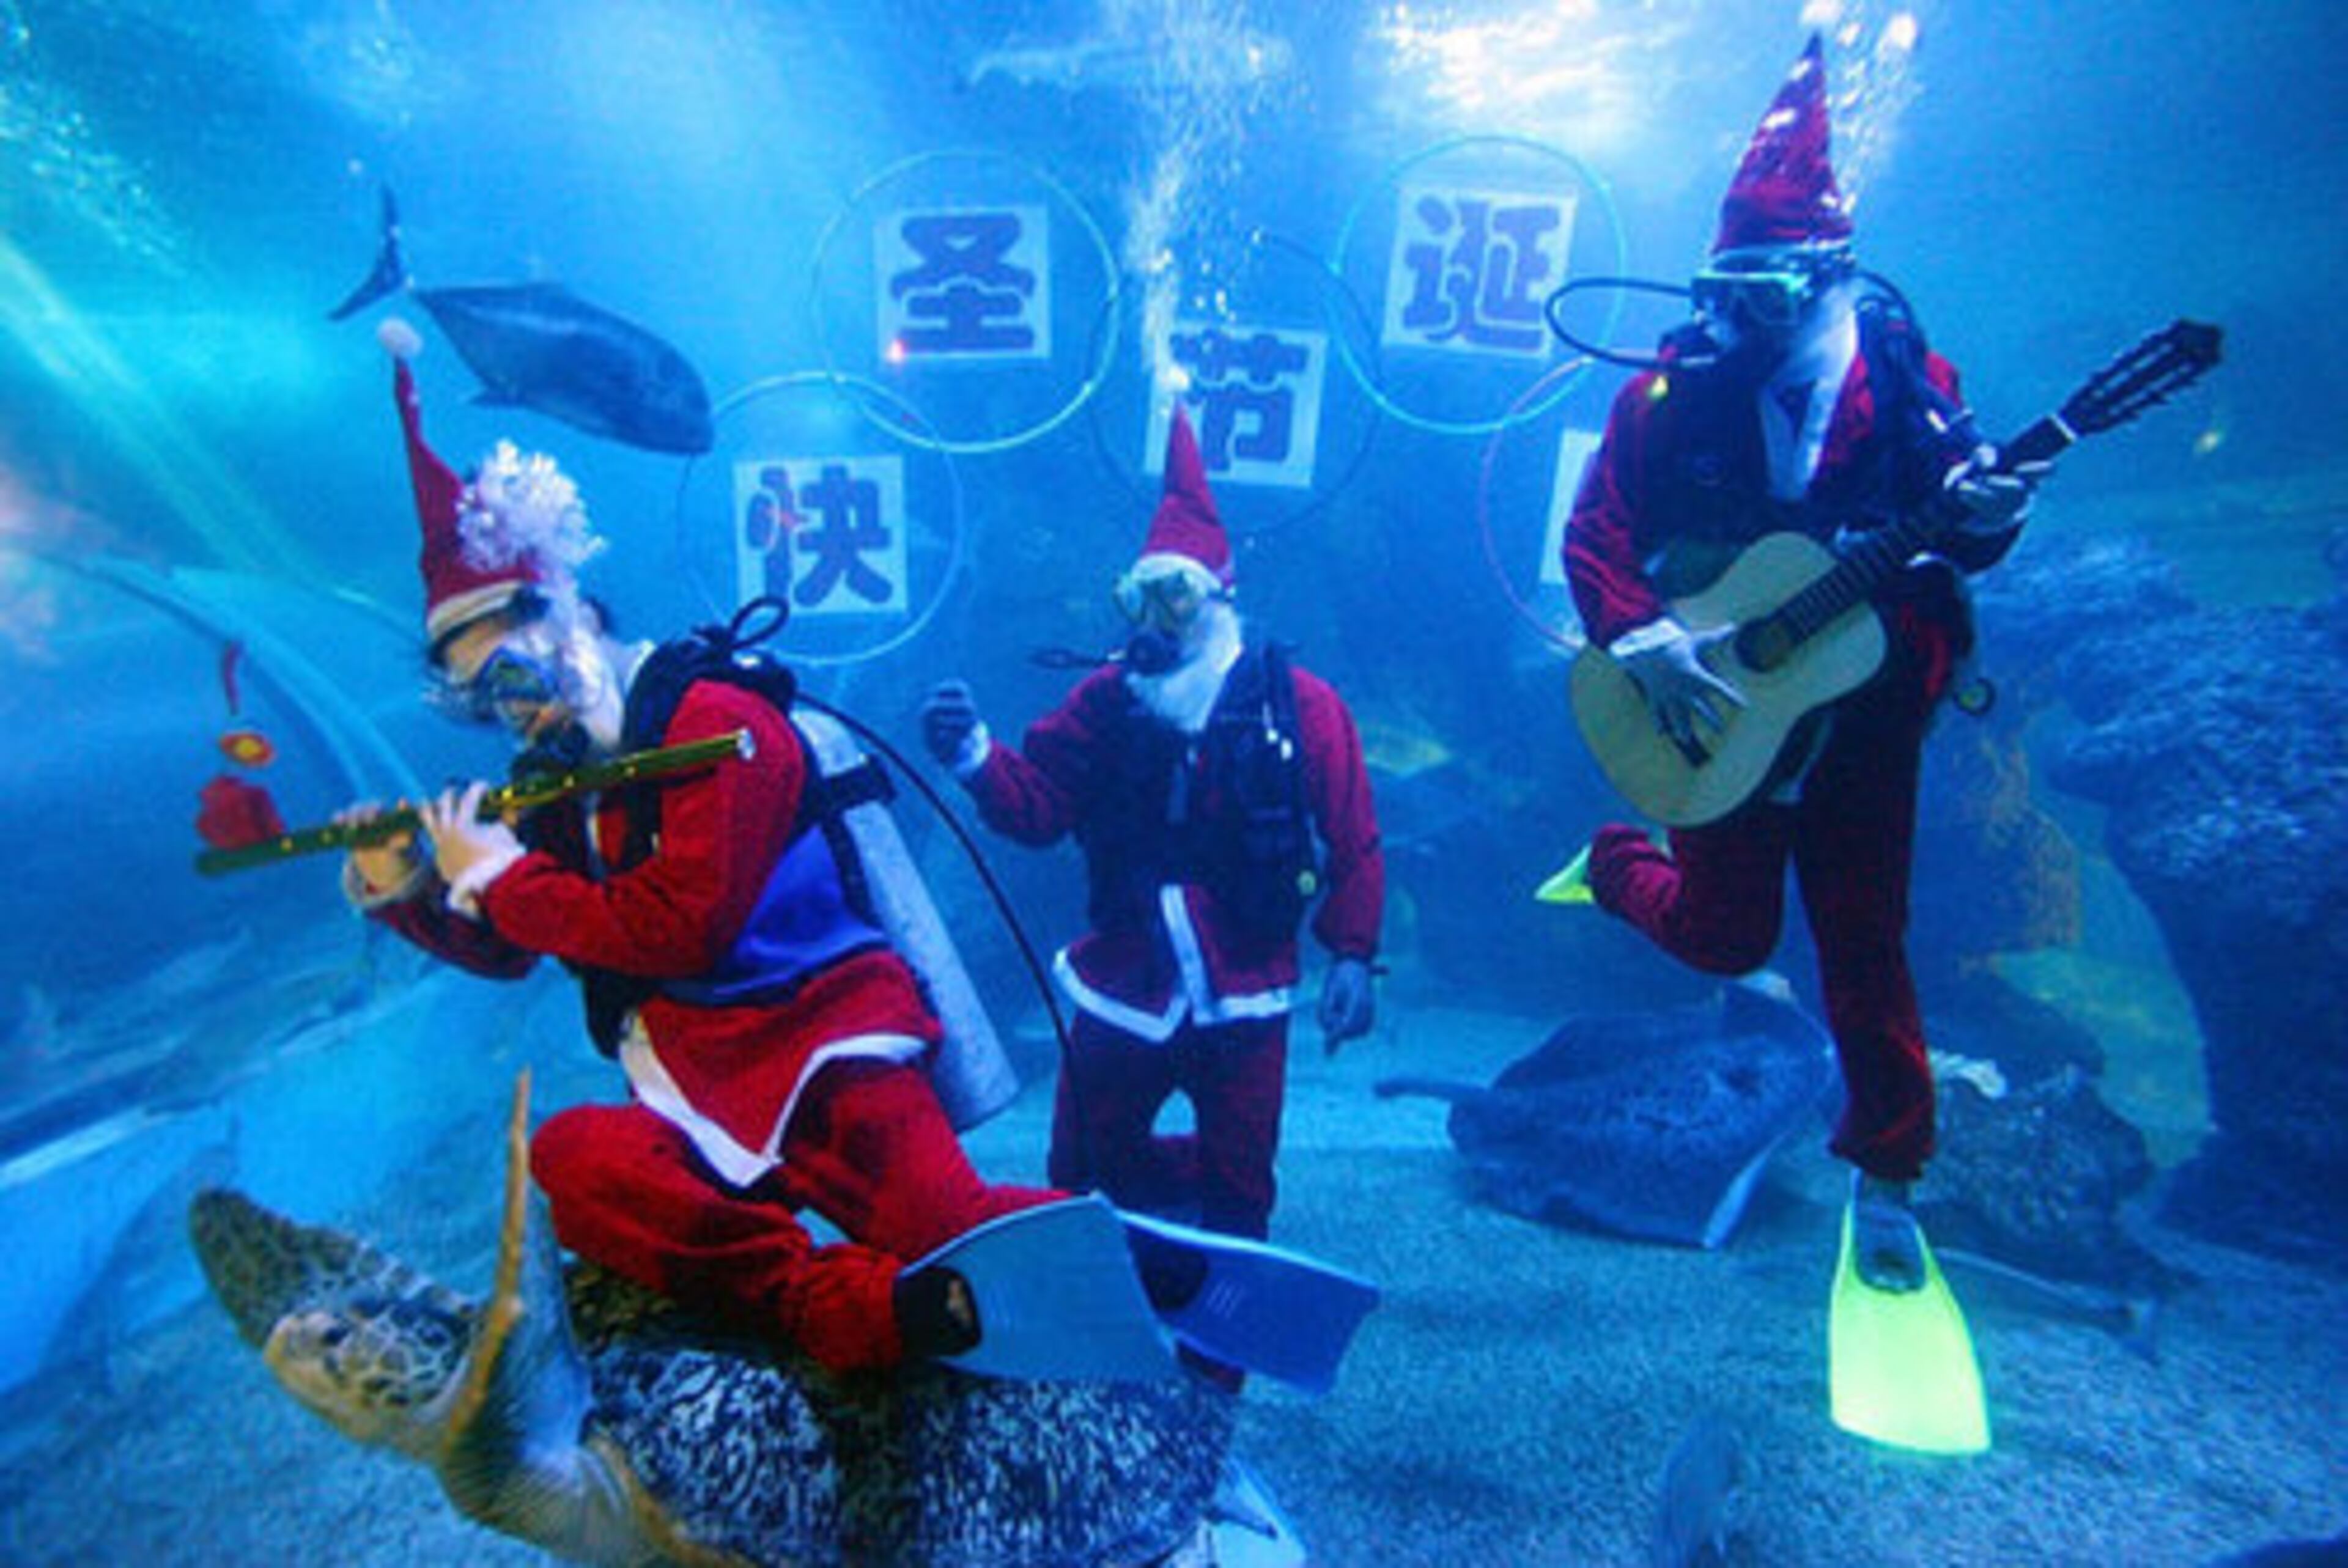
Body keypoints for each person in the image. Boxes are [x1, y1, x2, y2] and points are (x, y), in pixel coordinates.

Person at [342, 317, 1052, 1374]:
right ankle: (830, 1302)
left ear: (569, 614)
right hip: (685, 1071)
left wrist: (498, 872)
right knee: (577, 1160)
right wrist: (415, 890)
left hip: (828, 1045)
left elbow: (678, 927)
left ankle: (1111, 1266)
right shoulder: (550, 781)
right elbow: (517, 943)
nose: (512, 711)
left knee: (962, 1233)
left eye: (515, 672)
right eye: (480, 698)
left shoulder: (723, 722)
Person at [1560, 38, 2035, 1292]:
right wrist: (1643, 636)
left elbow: (1969, 519)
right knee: (1724, 938)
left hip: (1866, 712)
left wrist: (1992, 515)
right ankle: (1616, 860)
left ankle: (1889, 1173)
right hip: (1721, 697)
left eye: (1768, 296)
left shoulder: (1908, 380)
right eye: (1725, 291)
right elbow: (1598, 528)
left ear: (1829, 275)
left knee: (1864, 942)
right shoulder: (1671, 394)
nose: (1738, 324)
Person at [920, 407, 1384, 1248]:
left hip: (1246, 985)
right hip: (1124, 981)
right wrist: (973, 753)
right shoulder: (1104, 701)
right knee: (1079, 1167)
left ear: (1218, 598)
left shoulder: (1302, 706)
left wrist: (1354, 953)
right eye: (1138, 599)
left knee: (1244, 1188)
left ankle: (1217, 1346)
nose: (1152, 623)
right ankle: (1144, 1250)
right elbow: (1039, 808)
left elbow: (1353, 837)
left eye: (1174, 598)